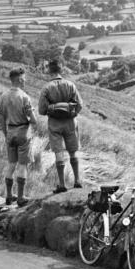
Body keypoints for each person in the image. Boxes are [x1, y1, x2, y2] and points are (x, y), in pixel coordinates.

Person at [37, 59, 84, 192]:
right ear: (61, 69)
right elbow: (80, 105)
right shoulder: (70, 85)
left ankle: (62, 185)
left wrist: (52, 110)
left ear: (49, 70)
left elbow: (41, 110)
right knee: (73, 152)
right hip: (70, 123)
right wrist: (72, 114)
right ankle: (77, 181)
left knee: (59, 153)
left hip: (54, 124)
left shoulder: (46, 88)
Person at [0, 67, 38, 207]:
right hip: (22, 133)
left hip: (9, 133)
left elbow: (2, 119)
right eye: (24, 78)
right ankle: (20, 198)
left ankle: (9, 196)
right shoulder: (24, 97)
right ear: (19, 80)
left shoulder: (3, 96)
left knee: (11, 165)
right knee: (22, 166)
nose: (25, 81)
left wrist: (5, 134)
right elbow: (33, 120)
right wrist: (32, 119)